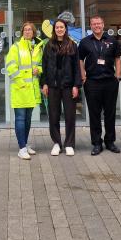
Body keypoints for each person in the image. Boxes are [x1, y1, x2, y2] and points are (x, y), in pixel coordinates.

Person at [78, 15, 121, 155]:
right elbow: (79, 60)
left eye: (99, 23)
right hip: (92, 82)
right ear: (90, 26)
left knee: (110, 113)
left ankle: (110, 141)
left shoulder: (112, 40)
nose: (96, 26)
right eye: (94, 24)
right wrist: (83, 77)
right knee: (94, 114)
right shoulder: (85, 42)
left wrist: (118, 76)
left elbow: (117, 59)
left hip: (110, 82)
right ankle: (97, 143)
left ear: (103, 25)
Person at [41, 19, 80, 156]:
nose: (59, 29)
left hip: (68, 86)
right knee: (53, 116)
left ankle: (69, 143)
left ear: (65, 29)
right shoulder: (49, 45)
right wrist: (44, 83)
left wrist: (76, 85)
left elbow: (76, 67)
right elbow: (44, 66)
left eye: (61, 27)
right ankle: (57, 143)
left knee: (70, 116)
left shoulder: (72, 45)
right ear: (54, 30)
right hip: (53, 86)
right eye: (57, 27)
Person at [5, 22, 43, 160]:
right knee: (20, 119)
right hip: (20, 90)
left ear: (34, 32)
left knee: (27, 120)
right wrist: (22, 83)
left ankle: (25, 144)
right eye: (25, 30)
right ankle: (21, 148)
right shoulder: (16, 47)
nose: (27, 32)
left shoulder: (37, 48)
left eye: (30, 30)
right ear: (22, 32)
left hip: (32, 90)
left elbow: (40, 65)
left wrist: (37, 70)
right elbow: (10, 67)